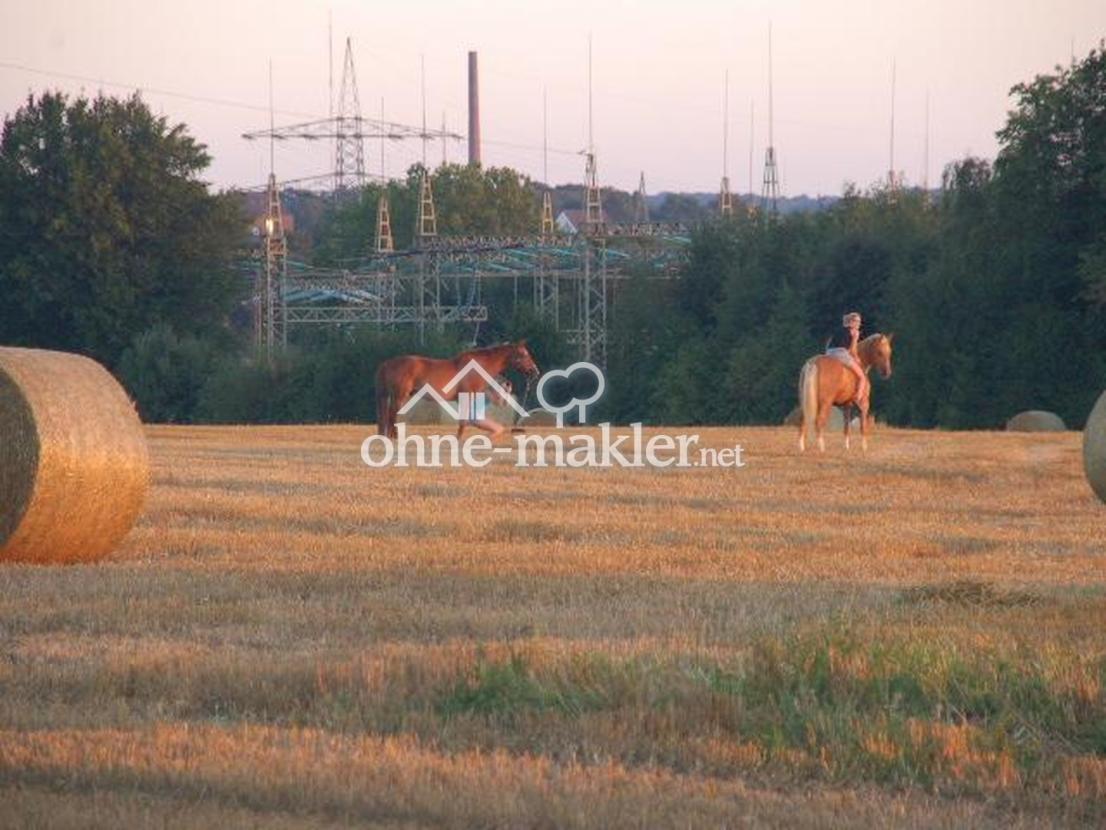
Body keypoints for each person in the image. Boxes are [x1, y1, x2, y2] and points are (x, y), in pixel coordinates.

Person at [825, 312, 868, 405]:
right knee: (862, 377)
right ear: (851, 321)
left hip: (828, 353)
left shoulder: (837, 329)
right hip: (841, 354)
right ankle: (858, 398)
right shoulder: (855, 332)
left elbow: (828, 344)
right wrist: (857, 359)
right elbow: (852, 350)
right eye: (857, 321)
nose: (859, 324)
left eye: (859, 322)